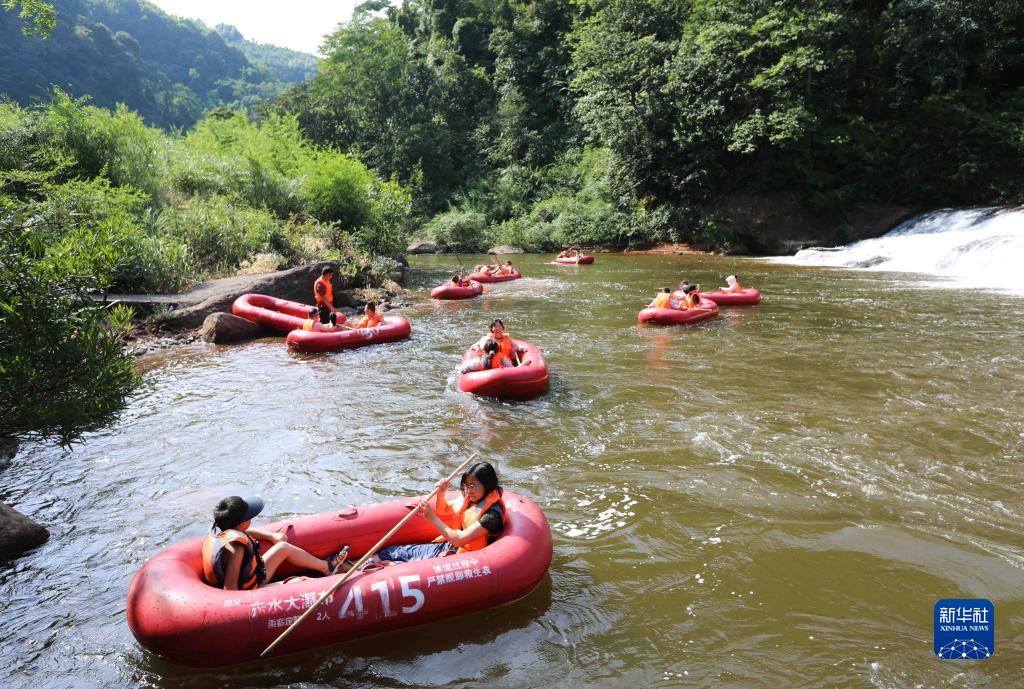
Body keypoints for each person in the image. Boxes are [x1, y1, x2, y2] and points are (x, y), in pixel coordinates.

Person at [202, 496, 348, 590]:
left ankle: (326, 568)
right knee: (300, 582)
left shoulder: (220, 529)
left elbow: (245, 531)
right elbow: (230, 589)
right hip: (248, 591)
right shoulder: (236, 548)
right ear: (243, 523)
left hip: (251, 575)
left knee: (283, 547)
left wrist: (271, 536)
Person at [372, 462, 507, 564]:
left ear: (487, 485)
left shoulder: (492, 515)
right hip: (452, 547)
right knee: (391, 552)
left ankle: (372, 567)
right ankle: (355, 566)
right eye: (466, 485)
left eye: (473, 485)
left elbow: (458, 539)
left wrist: (431, 517)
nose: (468, 490)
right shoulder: (474, 498)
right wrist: (441, 494)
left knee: (395, 556)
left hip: (464, 559)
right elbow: (443, 510)